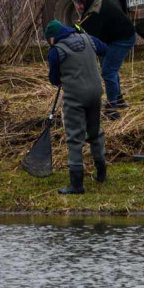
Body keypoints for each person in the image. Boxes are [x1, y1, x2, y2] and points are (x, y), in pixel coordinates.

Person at [45, 19, 108, 195]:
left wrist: (64, 78)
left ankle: (76, 185)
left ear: (52, 37)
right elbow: (104, 48)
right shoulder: (88, 39)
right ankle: (102, 173)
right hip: (96, 93)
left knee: (74, 138)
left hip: (75, 97)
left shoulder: (56, 51)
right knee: (95, 132)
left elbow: (54, 79)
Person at [71, 0, 137, 120]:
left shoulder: (97, 12)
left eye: (80, 3)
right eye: (76, 3)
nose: (78, 6)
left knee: (108, 71)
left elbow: (89, 38)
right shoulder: (94, 0)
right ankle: (118, 100)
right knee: (110, 68)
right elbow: (86, 28)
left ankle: (112, 109)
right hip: (112, 37)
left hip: (123, 39)